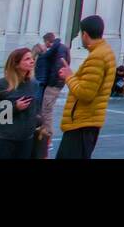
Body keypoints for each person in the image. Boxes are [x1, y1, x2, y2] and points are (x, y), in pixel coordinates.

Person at [55, 15, 116, 159]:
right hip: (87, 122)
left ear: (85, 34)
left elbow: (86, 93)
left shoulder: (97, 57)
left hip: (82, 123)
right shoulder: (104, 52)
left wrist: (69, 77)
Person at [0, 47, 39, 159]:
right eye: (27, 59)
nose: (32, 61)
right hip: (6, 141)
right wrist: (15, 108)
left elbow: (36, 111)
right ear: (16, 64)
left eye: (32, 58)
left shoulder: (34, 84)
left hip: (27, 140)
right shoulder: (1, 84)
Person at [33, 32, 71, 157]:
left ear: (49, 42)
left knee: (46, 109)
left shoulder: (57, 49)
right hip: (52, 82)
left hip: (53, 83)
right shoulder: (59, 48)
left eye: (46, 44)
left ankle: (47, 137)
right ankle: (45, 136)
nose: (46, 46)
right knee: (44, 109)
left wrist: (54, 81)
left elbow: (59, 67)